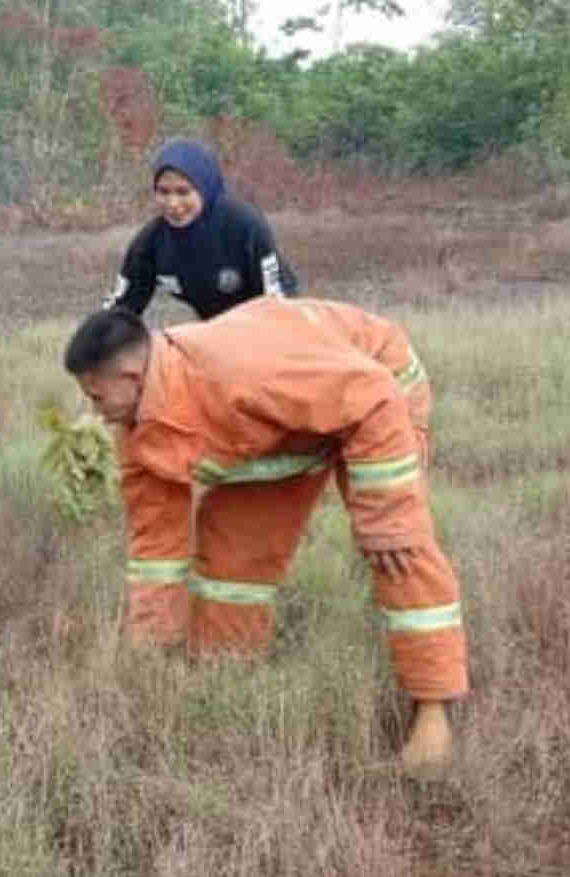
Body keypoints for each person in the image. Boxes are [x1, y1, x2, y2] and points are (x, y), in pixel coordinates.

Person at [63, 296, 466, 773]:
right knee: (232, 563)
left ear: (130, 377)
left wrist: (386, 518)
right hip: (282, 432)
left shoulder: (238, 373)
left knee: (396, 548)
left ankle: (433, 715)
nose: (94, 411)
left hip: (375, 393)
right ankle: (225, 676)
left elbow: (372, 394)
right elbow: (155, 546)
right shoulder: (133, 427)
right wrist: (153, 647)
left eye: (96, 397)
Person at [104, 138, 299, 320]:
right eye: (163, 192)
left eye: (183, 192)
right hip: (214, 330)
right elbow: (119, 311)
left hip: (265, 324)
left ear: (205, 189)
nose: (172, 203)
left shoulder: (245, 226)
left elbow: (278, 305)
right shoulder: (150, 243)